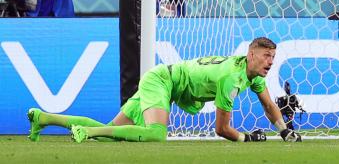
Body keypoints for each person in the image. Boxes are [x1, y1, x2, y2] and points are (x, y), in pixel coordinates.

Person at [27, 37, 302, 143]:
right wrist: (246, 139)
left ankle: (44, 117)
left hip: (165, 82)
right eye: (266, 56)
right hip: (162, 81)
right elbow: (221, 129)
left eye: (273, 57)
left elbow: (268, 104)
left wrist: (284, 130)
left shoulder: (251, 74)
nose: (270, 62)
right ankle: (87, 132)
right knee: (157, 135)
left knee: (112, 133)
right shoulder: (231, 78)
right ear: (251, 54)